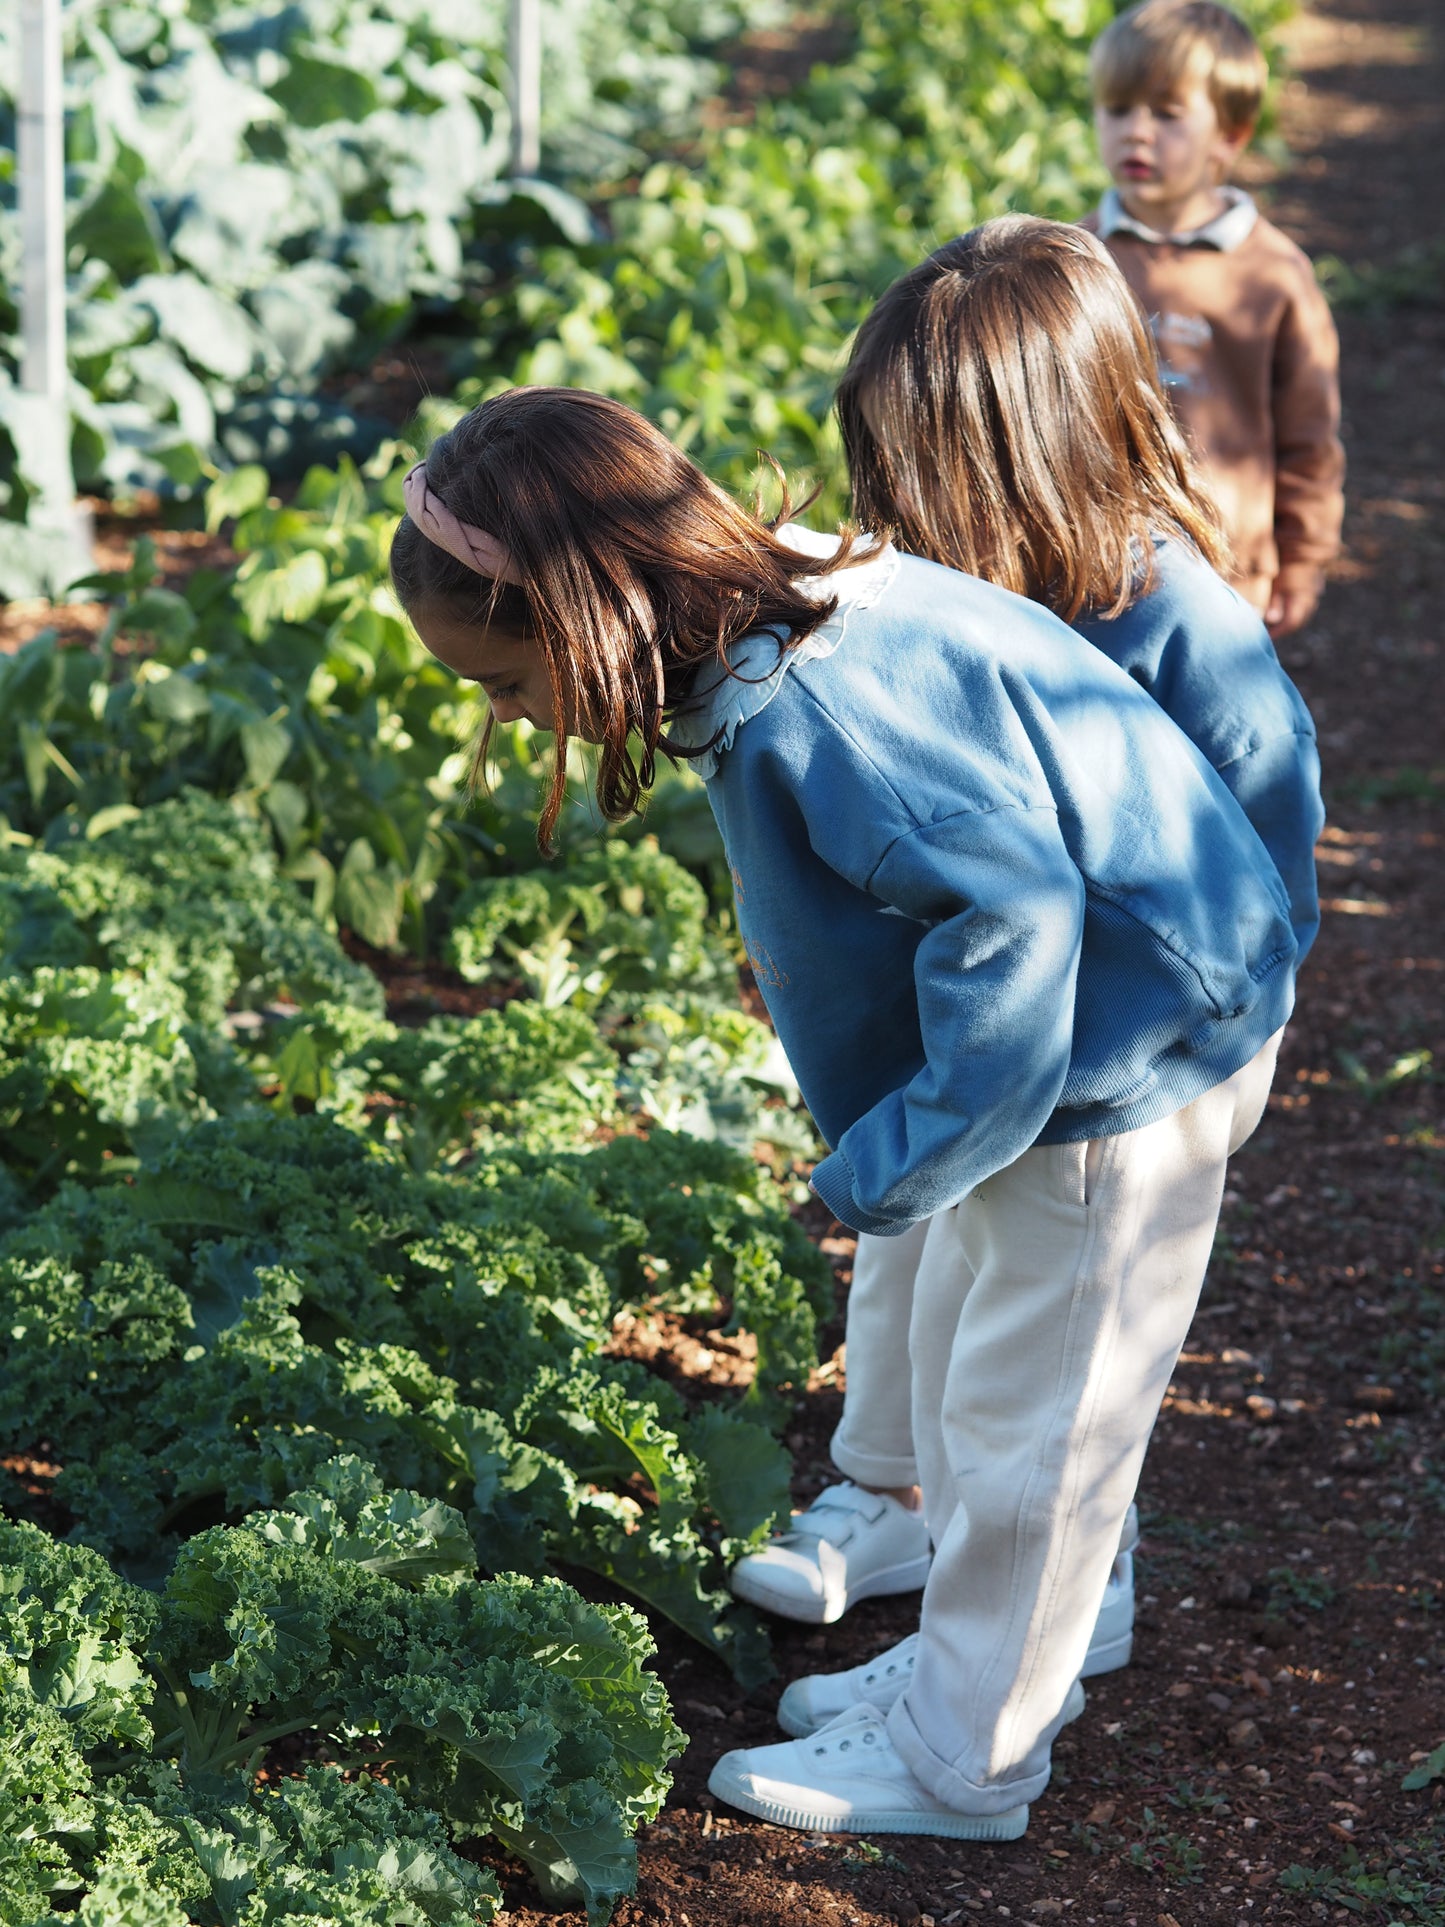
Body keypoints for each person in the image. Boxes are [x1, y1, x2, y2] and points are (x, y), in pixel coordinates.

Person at [392, 382, 1301, 1838]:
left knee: (1034, 1433)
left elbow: (1013, 918)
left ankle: (963, 1763)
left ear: (588, 616)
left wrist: (909, 1148)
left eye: (505, 684)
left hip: (1116, 1056)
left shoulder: (815, 709)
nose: (509, 717)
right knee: (985, 1392)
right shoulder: (786, 598)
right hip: (1086, 1039)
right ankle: (964, 1673)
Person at [727, 217, 1324, 1719]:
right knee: (920, 1244)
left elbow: (1260, 859)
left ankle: (1075, 1588)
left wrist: (1203, 1045)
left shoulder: (1183, 623)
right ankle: (891, 1492)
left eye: (908, 477)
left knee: (1056, 1342)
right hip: (1000, 1038)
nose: (883, 508)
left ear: (1026, 460)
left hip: (1131, 1058)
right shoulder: (944, 595)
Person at [1083, 0, 1344, 637]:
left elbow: (1308, 434)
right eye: (1118, 111)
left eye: (1167, 116)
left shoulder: (1273, 274)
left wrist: (1303, 558)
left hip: (1229, 567)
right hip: (1101, 563)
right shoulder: (1076, 258)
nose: (1137, 133)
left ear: (1229, 136)